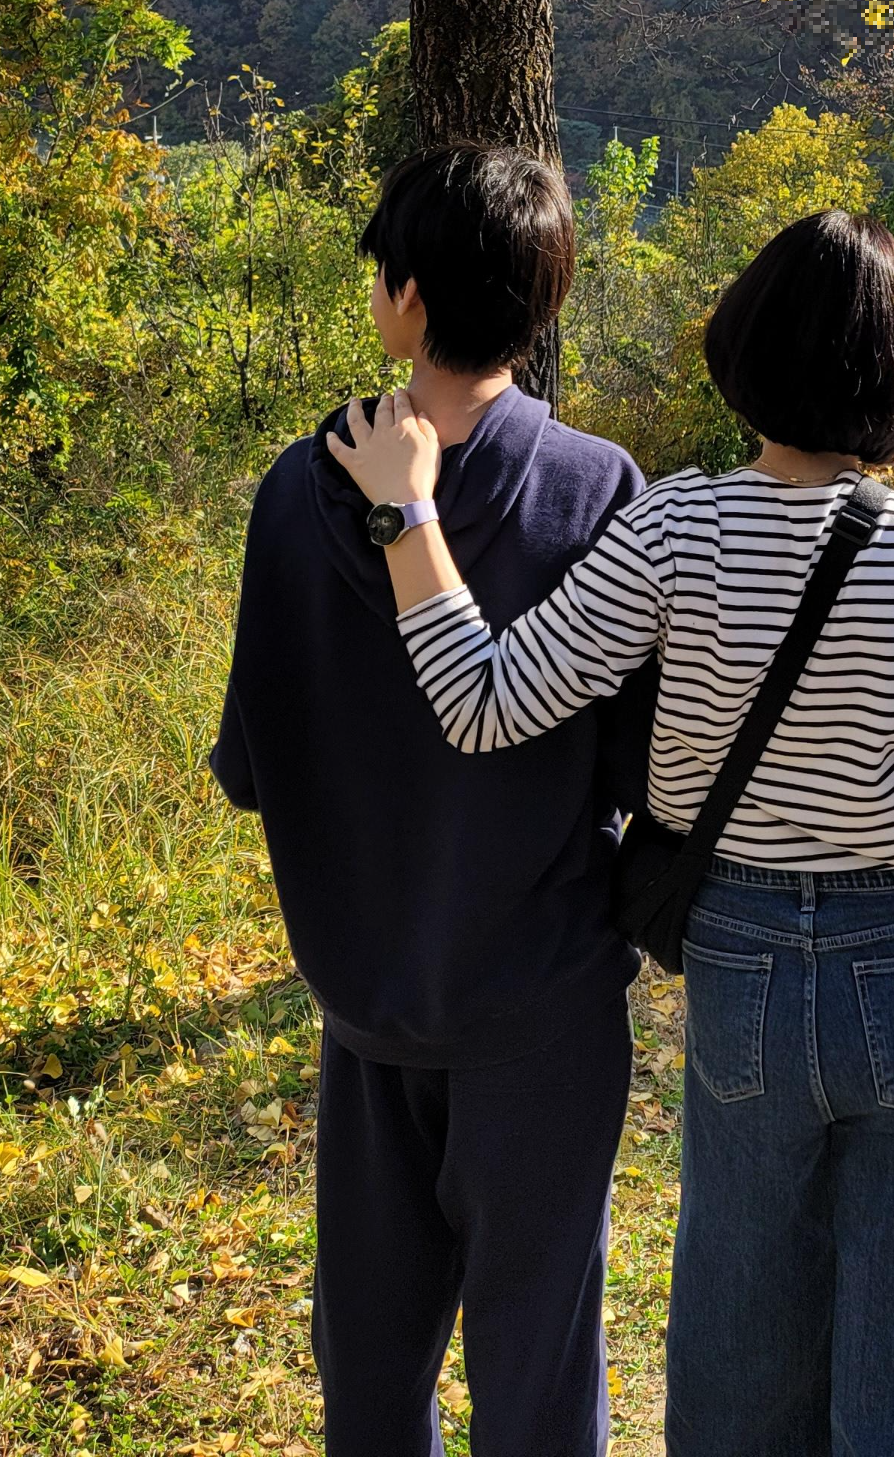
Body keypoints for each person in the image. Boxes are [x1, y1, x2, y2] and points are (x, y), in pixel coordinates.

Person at [331, 209, 894, 1457]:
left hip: (744, 955)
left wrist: (410, 514)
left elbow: (486, 701)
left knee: (739, 1322)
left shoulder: (676, 527)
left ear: (745, 352)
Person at [209, 143, 644, 1457]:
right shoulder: (592, 489)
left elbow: (249, 764)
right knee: (541, 1378)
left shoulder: (299, 491)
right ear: (544, 299)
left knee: (373, 1375)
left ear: (400, 299)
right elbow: (637, 773)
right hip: (546, 1010)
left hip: (369, 1006)